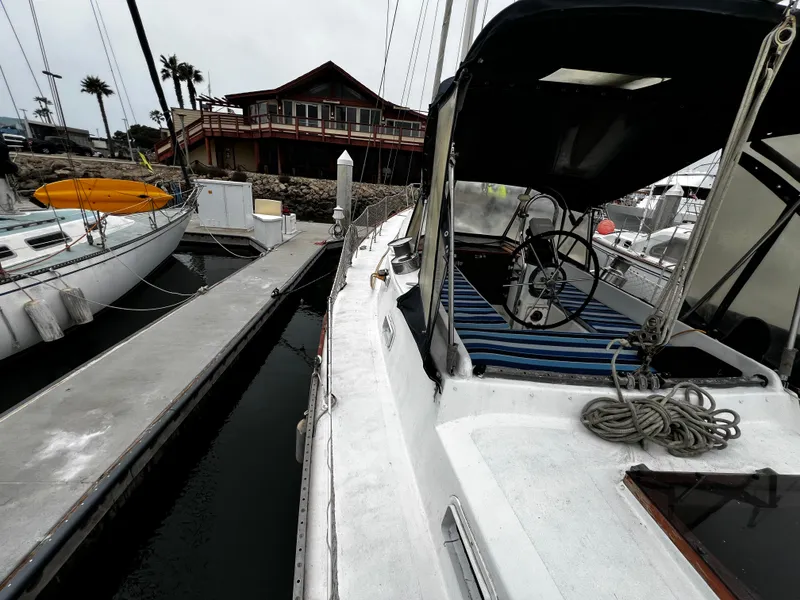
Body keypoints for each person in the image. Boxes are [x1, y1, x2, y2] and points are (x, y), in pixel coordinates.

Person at [0, 138, 20, 213]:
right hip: (2, 176)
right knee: (6, 194)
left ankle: (8, 210)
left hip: (2, 174)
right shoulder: (2, 146)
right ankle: (9, 210)